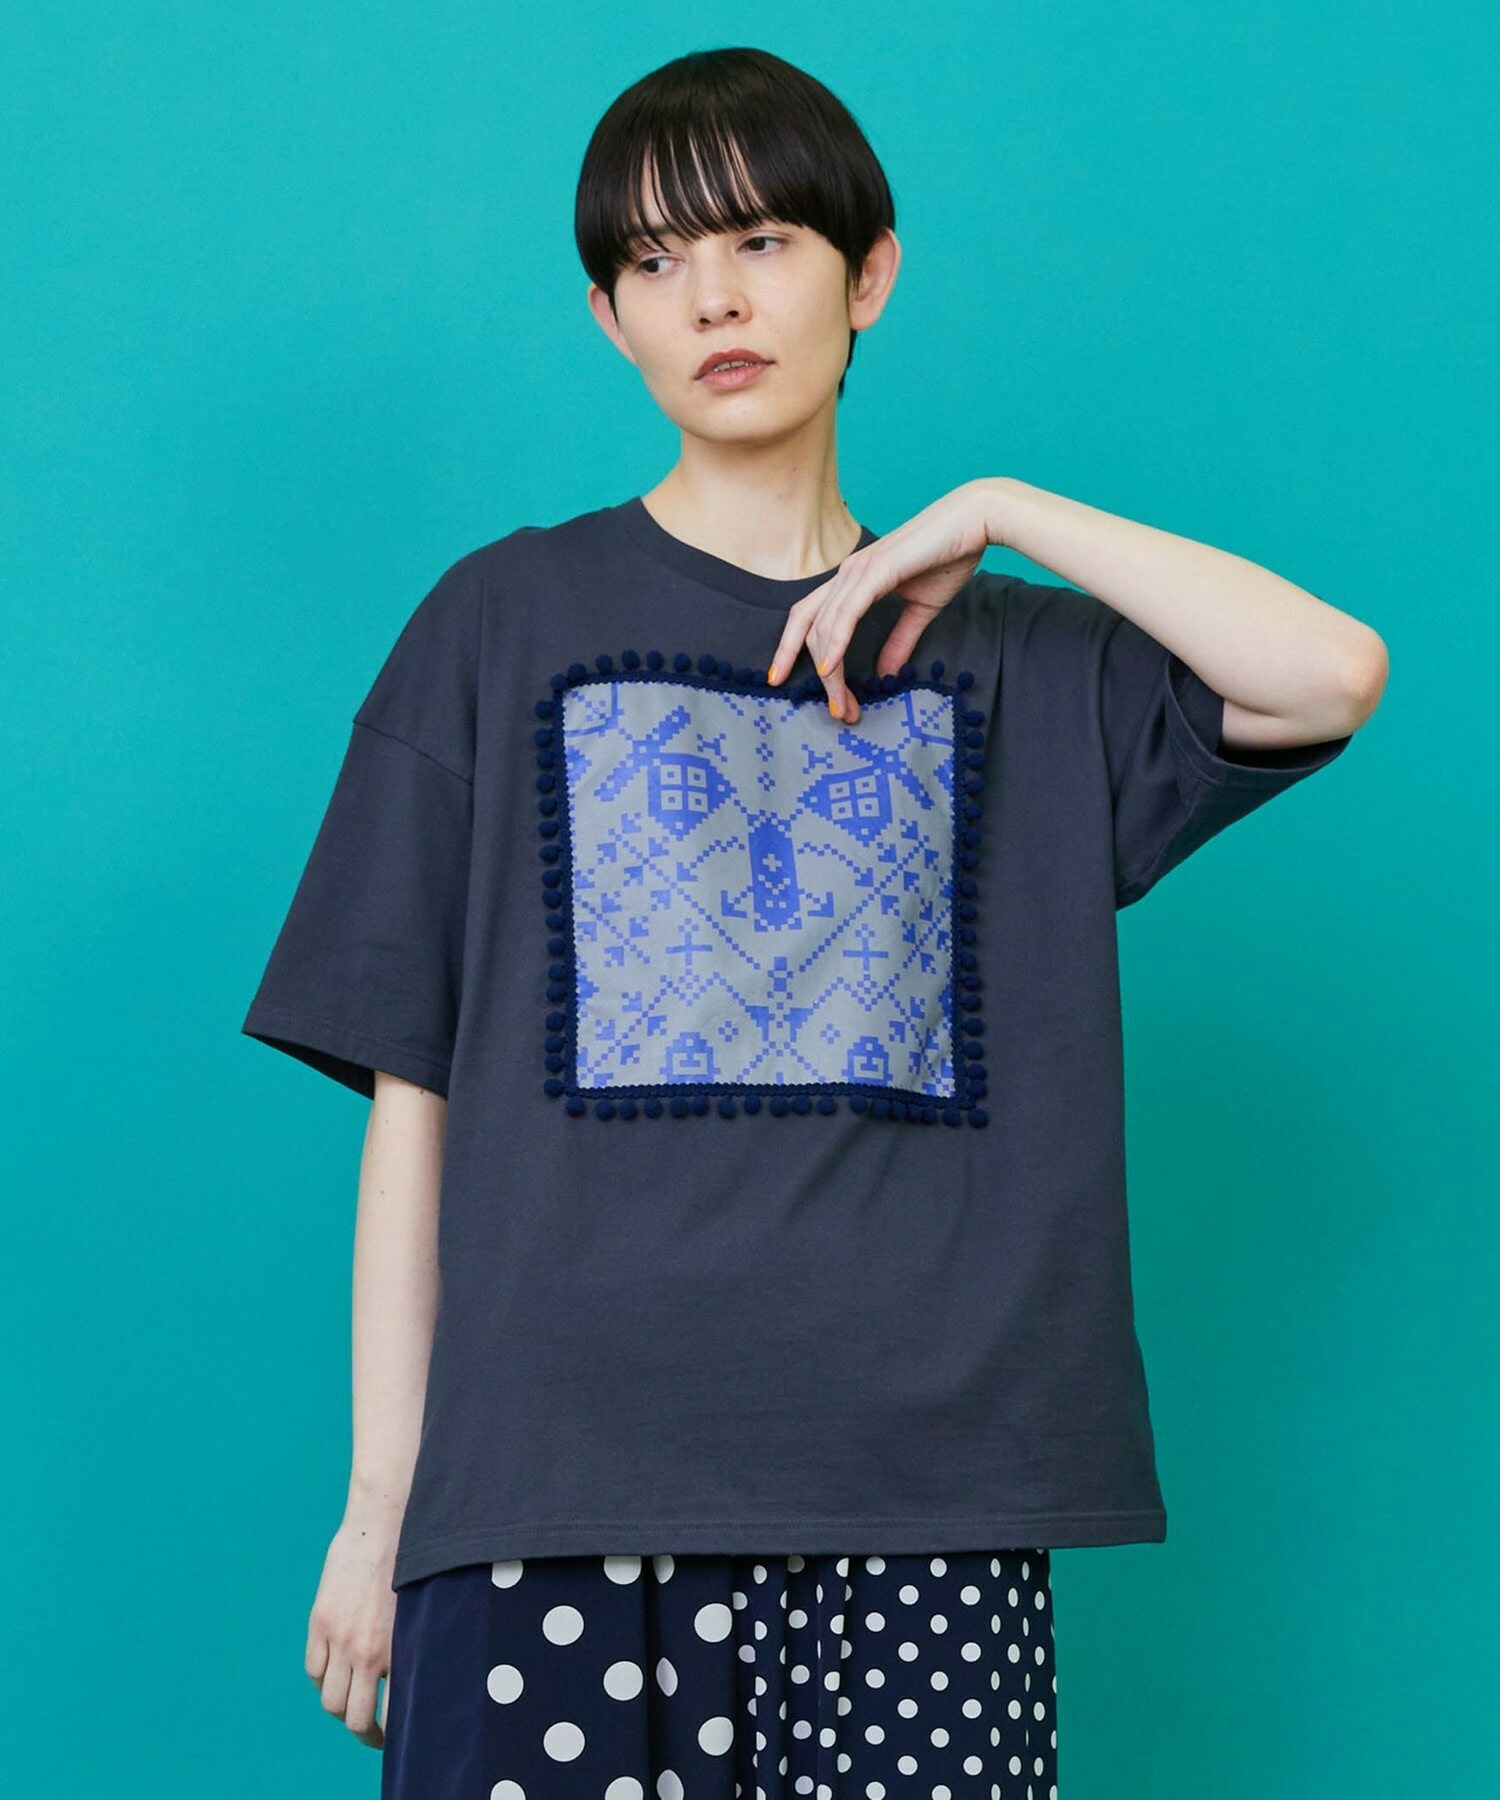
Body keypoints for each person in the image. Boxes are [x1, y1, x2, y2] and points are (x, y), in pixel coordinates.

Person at [240, 45, 1388, 1800]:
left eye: (762, 241)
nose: (711, 297)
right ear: (609, 318)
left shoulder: (1019, 665)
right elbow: (419, 1093)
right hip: (551, 1492)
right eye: (653, 261)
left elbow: (1330, 675)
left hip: (931, 1508)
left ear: (871, 276)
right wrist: (381, 1504)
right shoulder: (498, 622)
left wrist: (1002, 513)